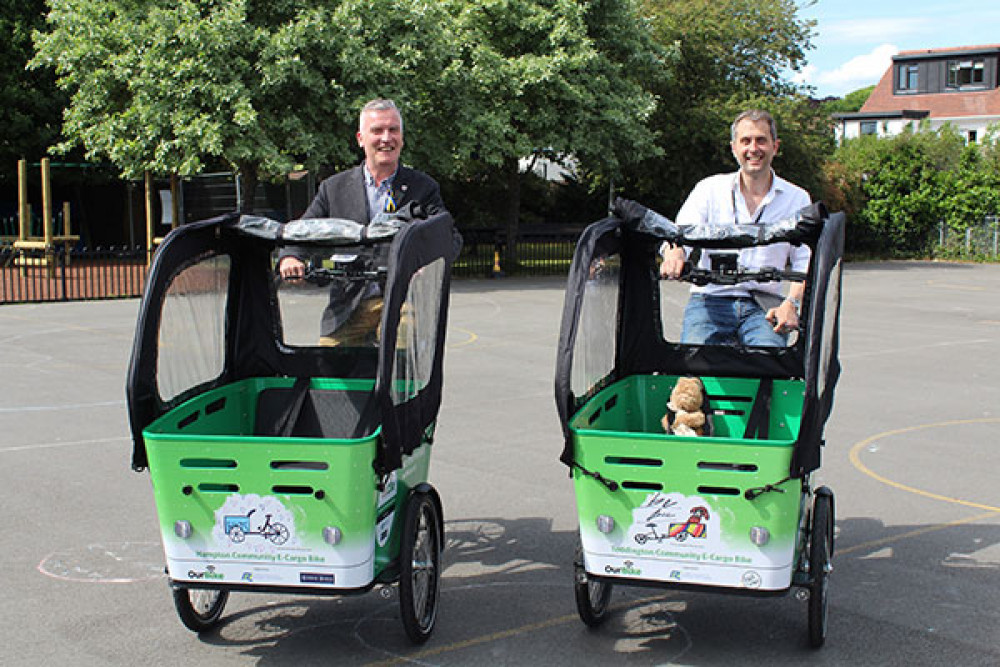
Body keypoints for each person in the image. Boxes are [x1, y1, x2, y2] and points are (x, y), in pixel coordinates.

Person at [278, 98, 446, 346]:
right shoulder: (333, 188)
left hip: (402, 298)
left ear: (402, 137)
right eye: (377, 131)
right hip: (349, 302)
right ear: (360, 138)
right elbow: (305, 229)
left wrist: (427, 260)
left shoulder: (424, 188)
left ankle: (394, 385)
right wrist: (290, 256)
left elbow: (447, 236)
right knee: (328, 362)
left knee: (399, 349)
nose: (386, 138)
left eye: (393, 130)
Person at [659, 109, 810, 347]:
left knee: (767, 367)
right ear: (733, 147)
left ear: (775, 146)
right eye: (745, 141)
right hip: (709, 299)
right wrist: (675, 254)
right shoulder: (709, 189)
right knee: (692, 370)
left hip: (765, 303)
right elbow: (678, 236)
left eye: (761, 140)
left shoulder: (797, 199)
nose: (753, 148)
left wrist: (792, 304)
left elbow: (805, 262)